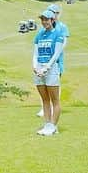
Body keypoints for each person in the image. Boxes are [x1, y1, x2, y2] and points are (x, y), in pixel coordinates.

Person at [33, 8, 66, 136]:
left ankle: (53, 125)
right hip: (39, 68)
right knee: (45, 100)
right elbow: (35, 53)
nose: (44, 22)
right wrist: (35, 66)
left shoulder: (58, 34)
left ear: (52, 20)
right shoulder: (39, 35)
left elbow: (56, 54)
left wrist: (47, 67)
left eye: (46, 19)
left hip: (51, 68)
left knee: (54, 100)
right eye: (42, 19)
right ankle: (47, 125)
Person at [37, 3, 69, 118]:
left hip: (57, 60)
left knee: (54, 84)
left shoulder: (62, 27)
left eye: (53, 12)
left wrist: (55, 53)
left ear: (57, 14)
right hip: (44, 60)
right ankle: (44, 108)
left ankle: (54, 107)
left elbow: (63, 43)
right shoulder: (44, 28)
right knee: (43, 85)